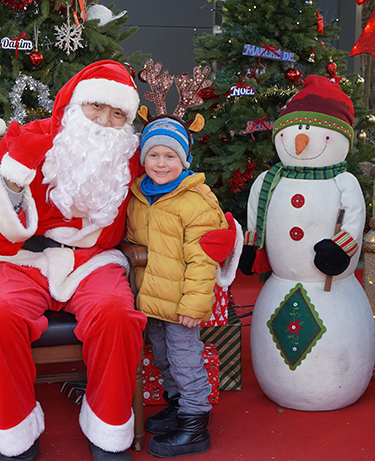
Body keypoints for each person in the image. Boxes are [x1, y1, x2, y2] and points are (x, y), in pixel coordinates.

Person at [0, 60, 147, 461]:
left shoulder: (127, 156)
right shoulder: (30, 139)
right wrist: (14, 181)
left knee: (117, 316)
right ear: (74, 105)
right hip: (22, 260)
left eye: (118, 113)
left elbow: (163, 198)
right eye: (95, 107)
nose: (104, 121)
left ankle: (109, 429)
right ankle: (16, 436)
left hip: (92, 261)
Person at [125, 116, 241, 458]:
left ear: (184, 160)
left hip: (180, 303)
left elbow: (203, 259)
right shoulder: (138, 195)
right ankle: (177, 406)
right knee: (162, 357)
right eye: (154, 155)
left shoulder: (194, 203)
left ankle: (194, 421)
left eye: (170, 156)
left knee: (184, 359)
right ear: (143, 158)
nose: (161, 164)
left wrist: (193, 307)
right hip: (152, 299)